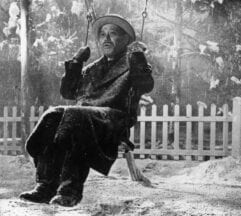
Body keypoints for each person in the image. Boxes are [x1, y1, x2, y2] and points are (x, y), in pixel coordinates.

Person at [19, 14, 154, 207]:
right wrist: (76, 62)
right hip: (85, 118)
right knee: (53, 114)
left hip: (113, 120)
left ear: (126, 39)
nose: (106, 39)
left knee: (76, 116)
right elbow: (68, 92)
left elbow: (145, 84)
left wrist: (138, 56)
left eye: (113, 34)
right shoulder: (92, 68)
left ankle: (69, 191)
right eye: (102, 35)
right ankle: (45, 186)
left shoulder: (133, 63)